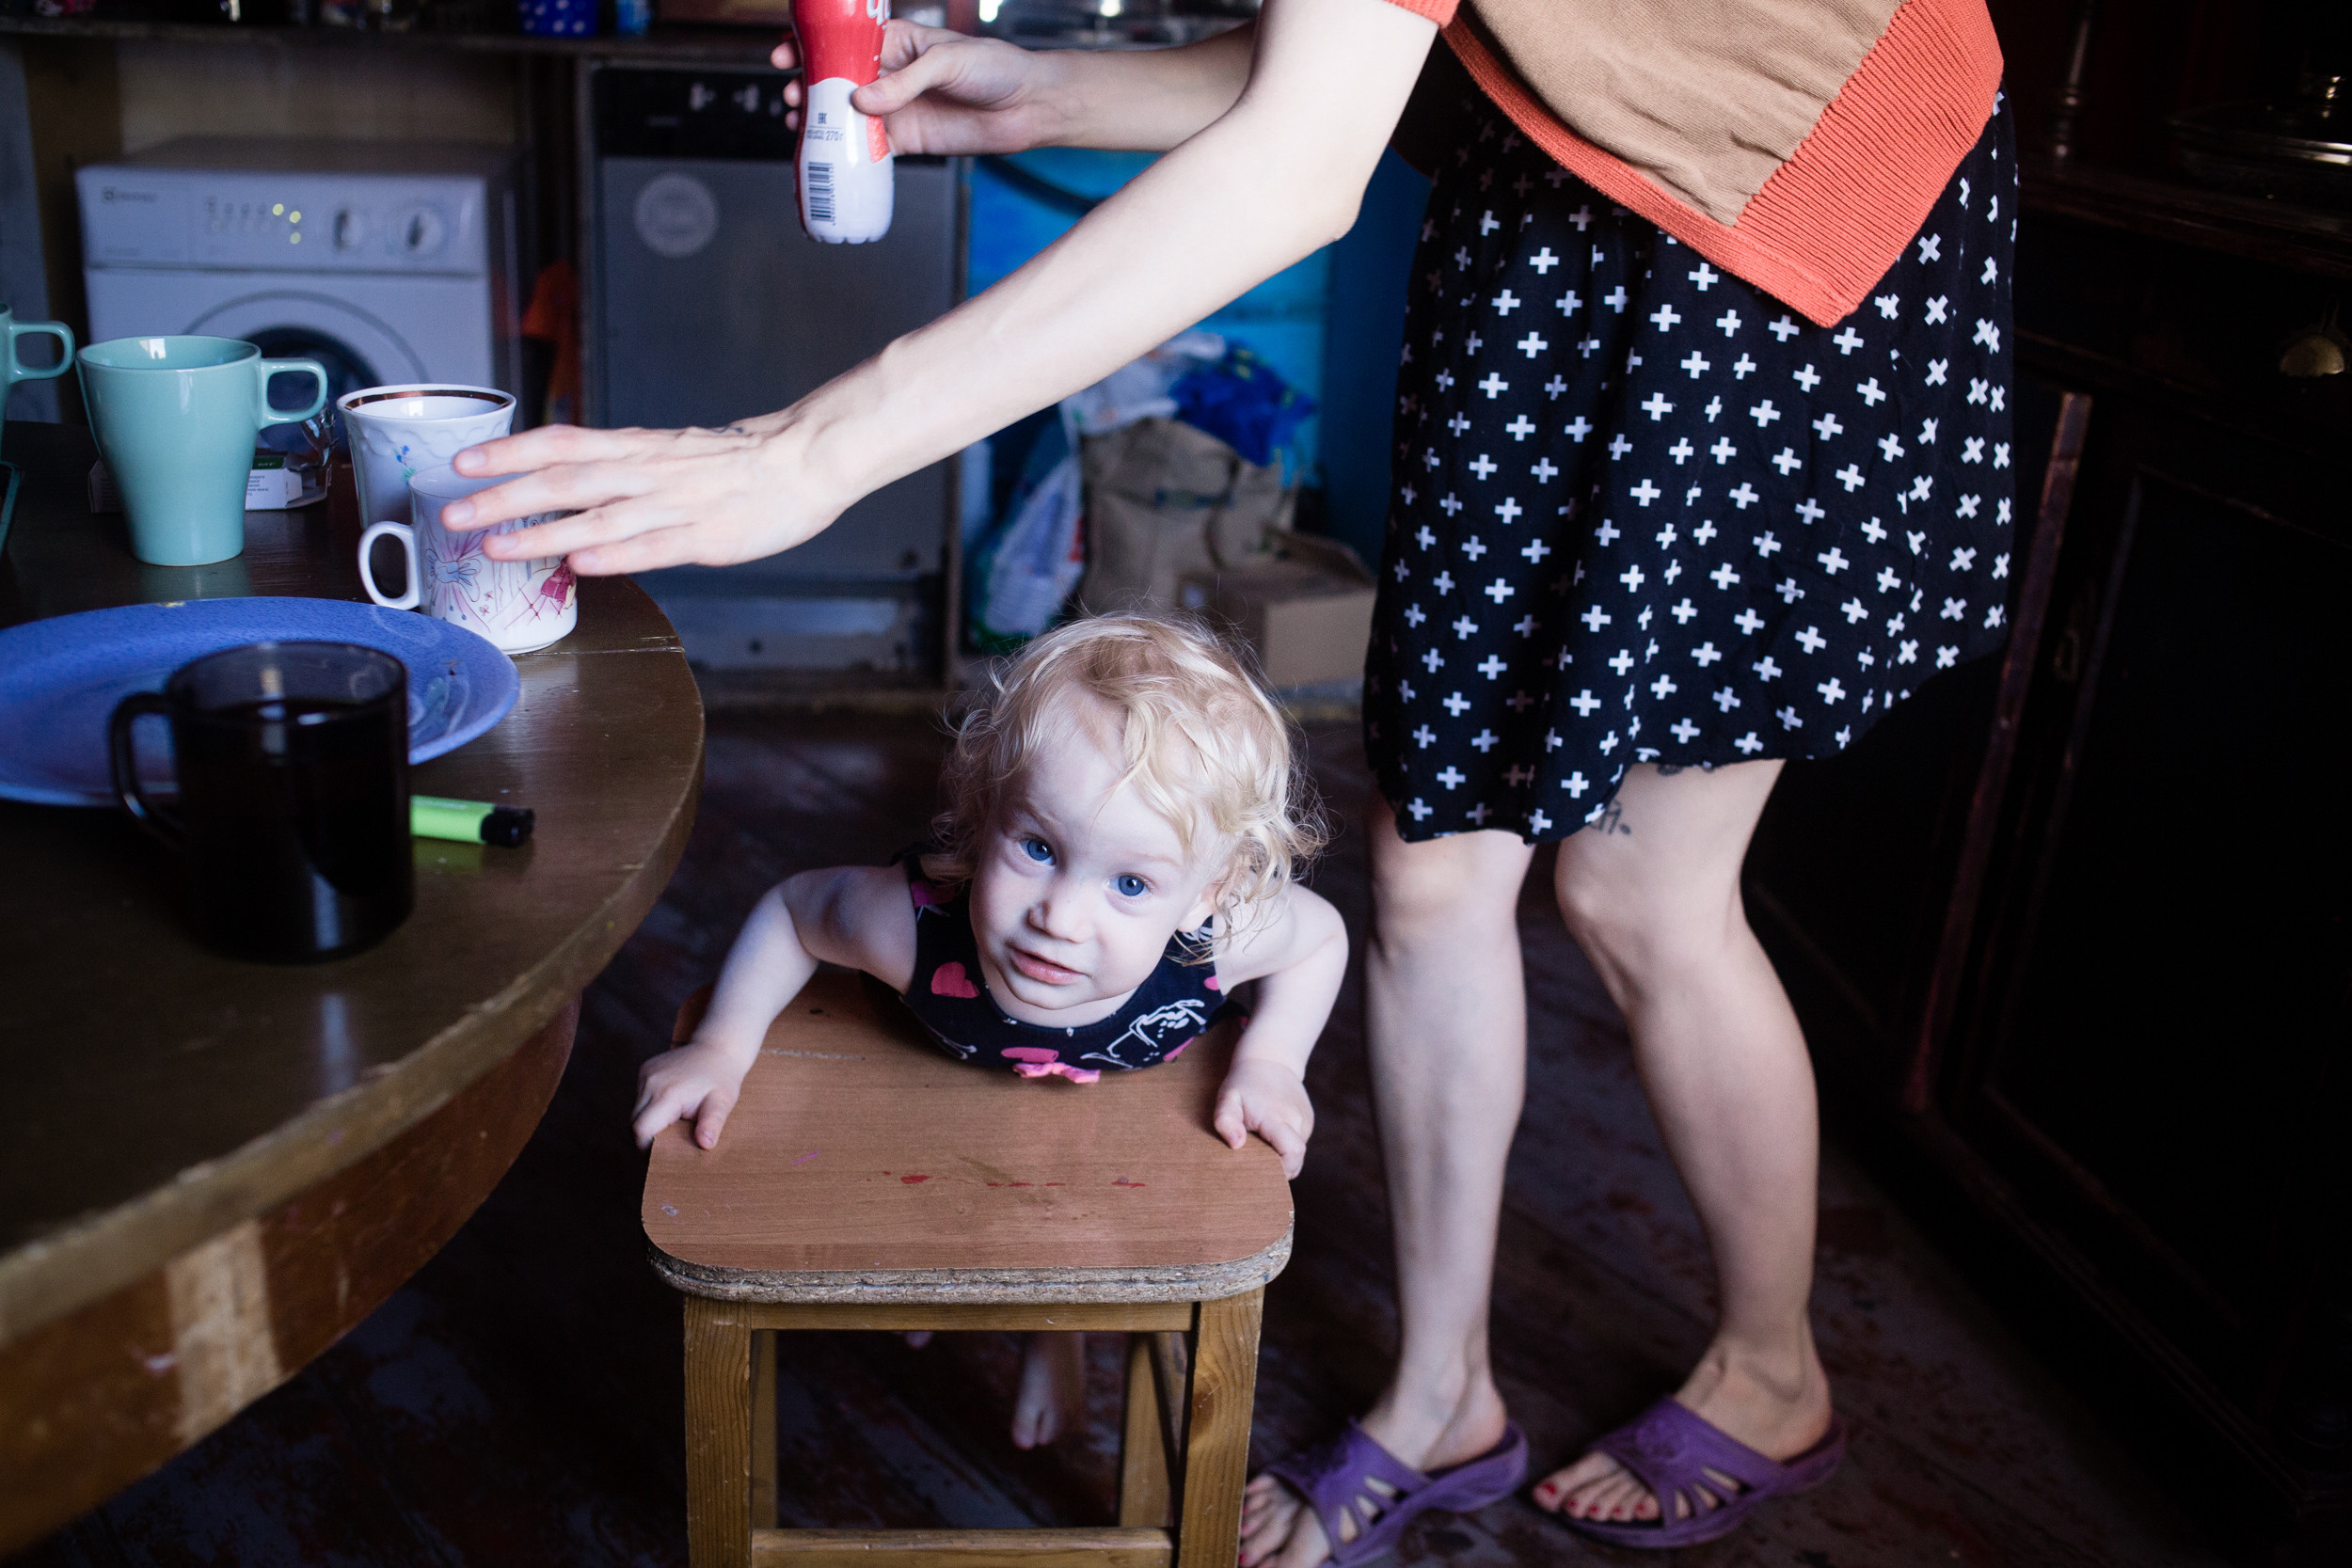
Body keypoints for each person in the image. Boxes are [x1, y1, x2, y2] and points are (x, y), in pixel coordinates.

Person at [448, 0, 2011, 1553]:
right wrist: (1054, 93)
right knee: (1431, 871)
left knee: (1645, 888)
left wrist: (806, 452)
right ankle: (1443, 1395)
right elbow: (1373, 60)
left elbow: (1296, 166)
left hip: (1756, 248)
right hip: (1553, 218)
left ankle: (1773, 1371)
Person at [629, 613, 1346, 1449]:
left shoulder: (1213, 942)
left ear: (1209, 894)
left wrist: (1272, 1060)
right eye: (1037, 846)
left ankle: (1056, 1331)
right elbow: (794, 911)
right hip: (934, 1068)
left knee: (1089, 1215)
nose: (1059, 918)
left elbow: (1321, 937)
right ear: (984, 812)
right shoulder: (911, 929)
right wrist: (722, 1045)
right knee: (914, 1182)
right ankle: (937, 1287)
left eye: (1129, 884)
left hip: (1129, 1103)